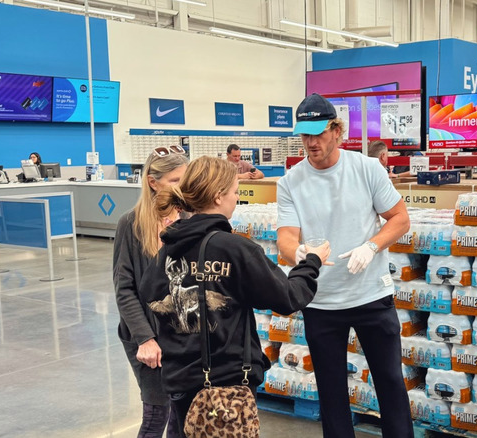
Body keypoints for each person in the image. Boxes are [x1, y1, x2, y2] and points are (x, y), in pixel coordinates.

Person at [139, 156, 329, 437]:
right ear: (218, 196)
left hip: (179, 380)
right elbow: (288, 297)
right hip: (226, 385)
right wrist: (311, 263)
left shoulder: (168, 249)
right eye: (235, 192)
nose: (236, 199)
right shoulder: (236, 250)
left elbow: (148, 295)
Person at [276, 93, 413, 438]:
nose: (311, 143)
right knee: (332, 393)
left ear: (337, 130)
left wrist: (372, 245)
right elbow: (286, 239)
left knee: (391, 385)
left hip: (371, 296)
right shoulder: (290, 182)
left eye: (318, 133)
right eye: (304, 135)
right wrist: (303, 255)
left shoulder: (366, 169)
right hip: (321, 303)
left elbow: (399, 218)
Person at [113, 145, 188, 437]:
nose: (182, 188)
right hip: (145, 337)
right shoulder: (130, 225)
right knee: (157, 413)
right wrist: (145, 338)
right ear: (152, 182)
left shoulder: (188, 221)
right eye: (175, 181)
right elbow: (125, 289)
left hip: (181, 335)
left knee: (180, 416)